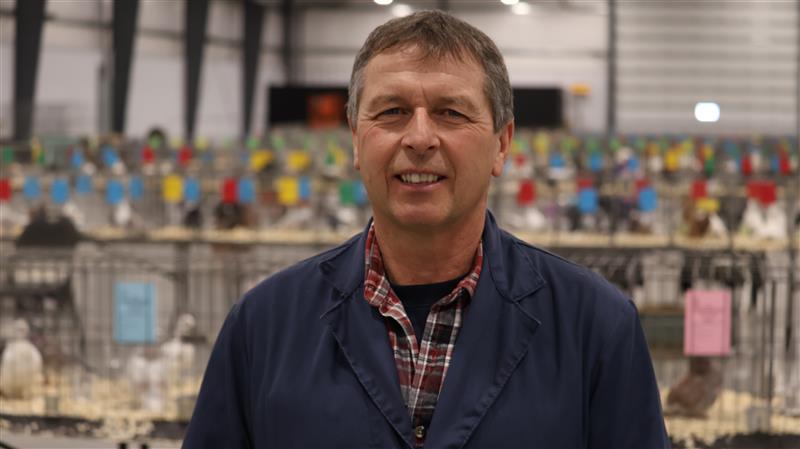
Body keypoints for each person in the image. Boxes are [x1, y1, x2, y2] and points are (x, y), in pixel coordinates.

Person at [183, 10, 669, 449]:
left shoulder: (596, 327)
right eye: (391, 111)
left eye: (451, 113)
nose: (418, 137)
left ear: (502, 144)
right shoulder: (262, 326)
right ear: (356, 139)